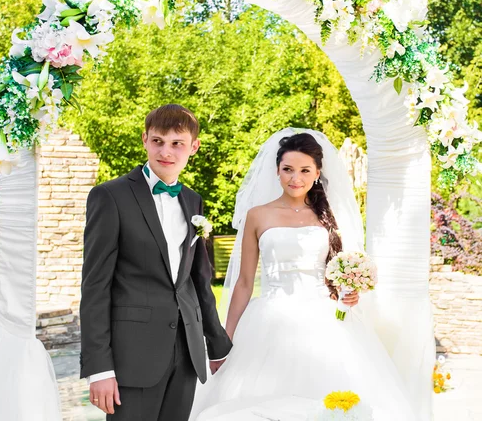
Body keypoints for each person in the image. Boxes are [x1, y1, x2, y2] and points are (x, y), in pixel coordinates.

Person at [190, 129, 420, 421]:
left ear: (317, 173)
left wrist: (350, 291)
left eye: (304, 170)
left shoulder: (327, 216)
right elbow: (244, 283)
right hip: (269, 319)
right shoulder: (258, 215)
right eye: (287, 169)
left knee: (330, 402)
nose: (295, 178)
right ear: (277, 171)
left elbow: (339, 272)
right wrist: (225, 339)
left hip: (324, 319)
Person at [80, 104, 232, 421]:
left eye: (177, 143)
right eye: (158, 140)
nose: (166, 151)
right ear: (145, 140)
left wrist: (217, 344)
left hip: (186, 353)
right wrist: (99, 367)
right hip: (132, 355)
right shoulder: (110, 196)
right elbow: (95, 286)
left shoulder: (193, 200)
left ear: (194, 146)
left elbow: (198, 281)